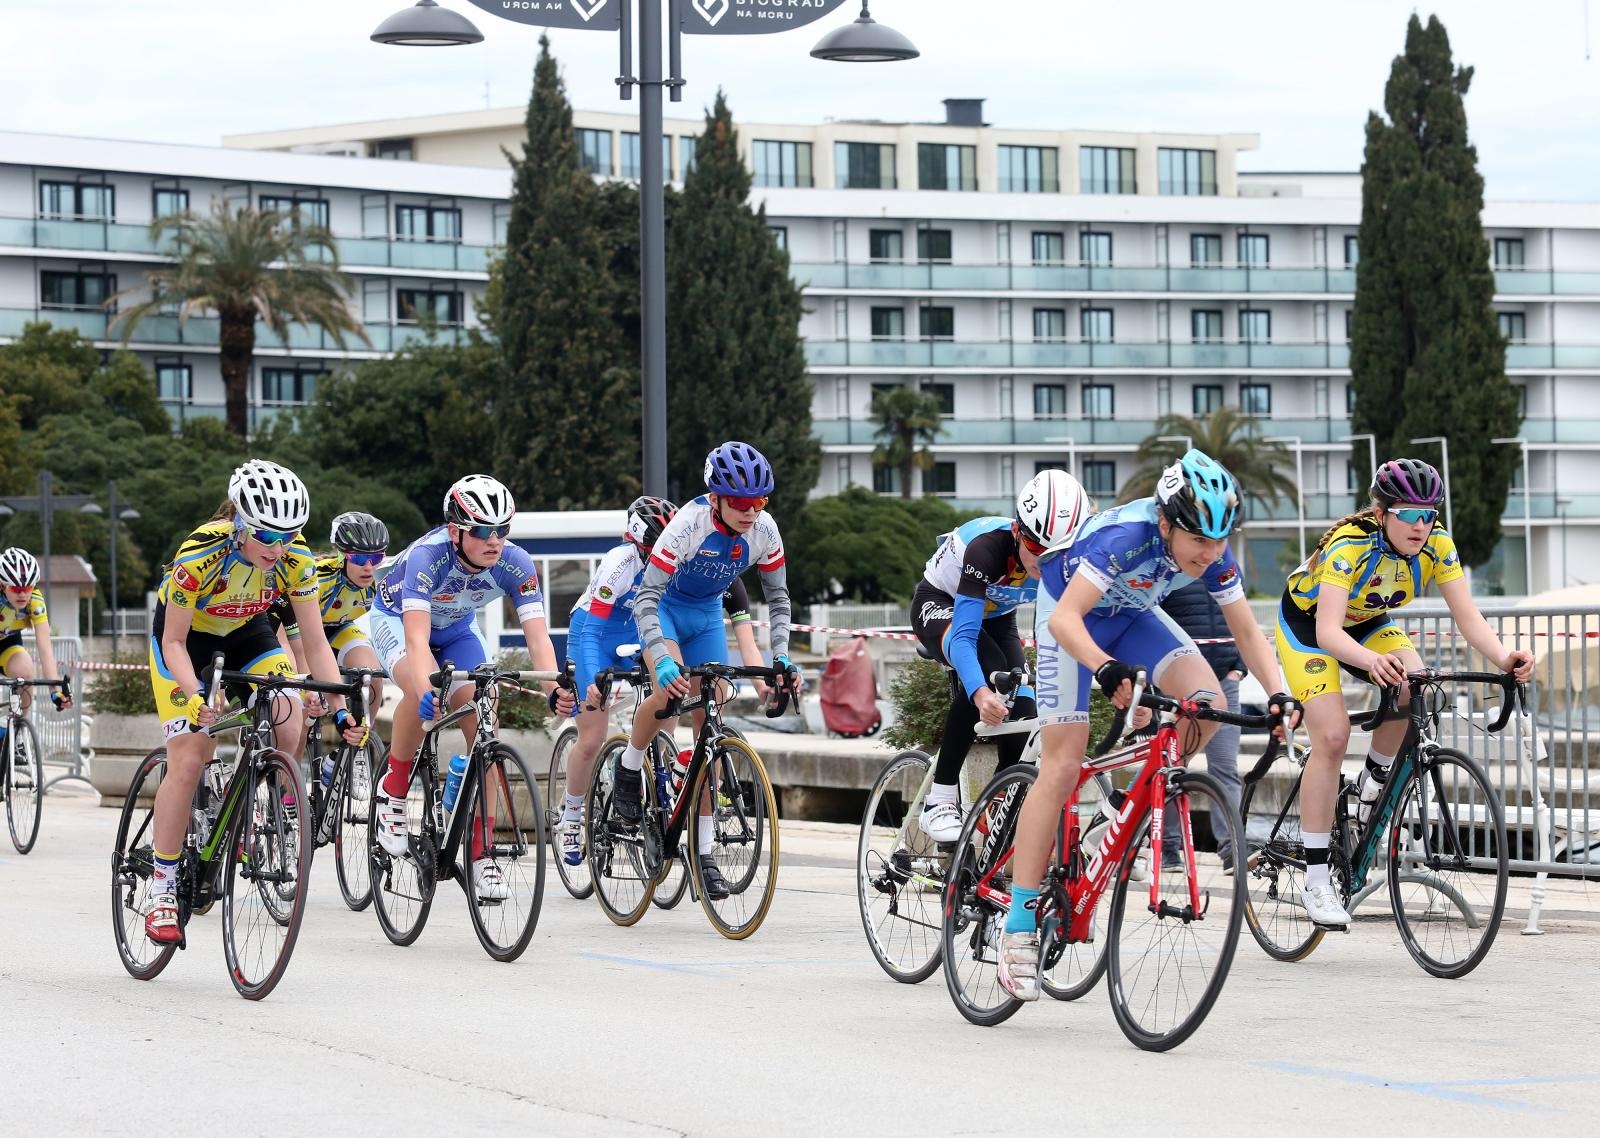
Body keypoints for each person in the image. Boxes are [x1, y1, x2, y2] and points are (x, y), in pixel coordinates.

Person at [1001, 449, 1299, 1001]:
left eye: (1219, 540)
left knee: (1205, 702)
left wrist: (1280, 692)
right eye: (1199, 542)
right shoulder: (1125, 539)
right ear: (1165, 524)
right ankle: (1017, 925)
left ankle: (1126, 804)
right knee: (1064, 763)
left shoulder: (1213, 552)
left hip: (1130, 616)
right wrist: (1105, 668)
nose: (1211, 554)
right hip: (1070, 620)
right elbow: (1067, 619)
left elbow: (1248, 632)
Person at [1276, 457, 1535, 927]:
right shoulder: (1349, 544)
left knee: (1421, 687)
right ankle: (1316, 881)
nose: (1422, 525)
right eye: (1410, 514)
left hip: (1370, 621)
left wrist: (1504, 658)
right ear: (1382, 514)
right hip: (1308, 628)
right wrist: (1371, 662)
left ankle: (1370, 786)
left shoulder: (1437, 545)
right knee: (1332, 736)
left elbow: (1468, 618)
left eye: (1430, 514)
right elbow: (1330, 631)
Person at [143, 460, 365, 944]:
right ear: (240, 523)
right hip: (186, 643)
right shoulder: (200, 554)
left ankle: (251, 809)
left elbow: (316, 641)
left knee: (288, 717)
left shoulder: (295, 560)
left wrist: (341, 707)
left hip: (248, 632)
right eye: (266, 535)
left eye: (289, 535)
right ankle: (161, 888)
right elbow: (175, 643)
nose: (278, 547)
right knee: (190, 756)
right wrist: (200, 696)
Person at [368, 474, 575, 900]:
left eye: (503, 530)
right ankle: (393, 792)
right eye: (482, 531)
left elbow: (538, 637)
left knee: (486, 717)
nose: (494, 540)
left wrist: (556, 687)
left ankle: (482, 854)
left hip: (459, 630)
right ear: (455, 531)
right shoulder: (428, 557)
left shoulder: (516, 563)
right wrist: (430, 690)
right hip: (399, 621)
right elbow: (417, 640)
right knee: (418, 687)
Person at [609, 441, 797, 901]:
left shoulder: (765, 531)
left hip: (708, 615)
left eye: (760, 501)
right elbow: (647, 598)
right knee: (669, 691)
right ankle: (629, 769)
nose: (752, 511)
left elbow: (778, 600)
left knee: (709, 736)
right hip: (666, 610)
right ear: (715, 499)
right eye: (741, 503)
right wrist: (664, 656)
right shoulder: (685, 526)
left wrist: (782, 657)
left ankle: (706, 852)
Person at [909, 469, 1092, 842]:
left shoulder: (1065, 562)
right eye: (1038, 551)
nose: (1046, 564)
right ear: (1018, 533)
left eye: (1058, 554)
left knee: (1025, 716)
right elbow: (963, 637)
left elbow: (1065, 626)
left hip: (998, 618)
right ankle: (939, 799)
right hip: (941, 604)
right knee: (989, 677)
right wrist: (978, 692)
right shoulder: (987, 548)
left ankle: (997, 809)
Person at [268, 511, 390, 790]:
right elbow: (292, 639)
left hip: (337, 629)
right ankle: (286, 794)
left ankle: (352, 750)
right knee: (299, 711)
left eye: (377, 558)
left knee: (371, 675)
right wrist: (307, 684)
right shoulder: (319, 578)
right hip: (294, 631)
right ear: (343, 555)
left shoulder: (381, 581)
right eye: (359, 559)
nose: (369, 567)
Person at [1158, 579, 1247, 873]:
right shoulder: (1169, 572)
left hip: (1224, 678)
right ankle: (1168, 847)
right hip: (1180, 680)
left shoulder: (1228, 574)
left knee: (1225, 767)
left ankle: (1231, 849)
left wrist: (1238, 668)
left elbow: (1241, 623)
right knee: (1171, 765)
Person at [0, 547, 70, 720]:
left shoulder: (35, 601)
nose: (23, 594)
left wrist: (55, 690)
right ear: (2, 585)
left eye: (28, 587)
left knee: (26, 669)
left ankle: (18, 725)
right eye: (16, 589)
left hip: (7, 643)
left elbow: (45, 647)